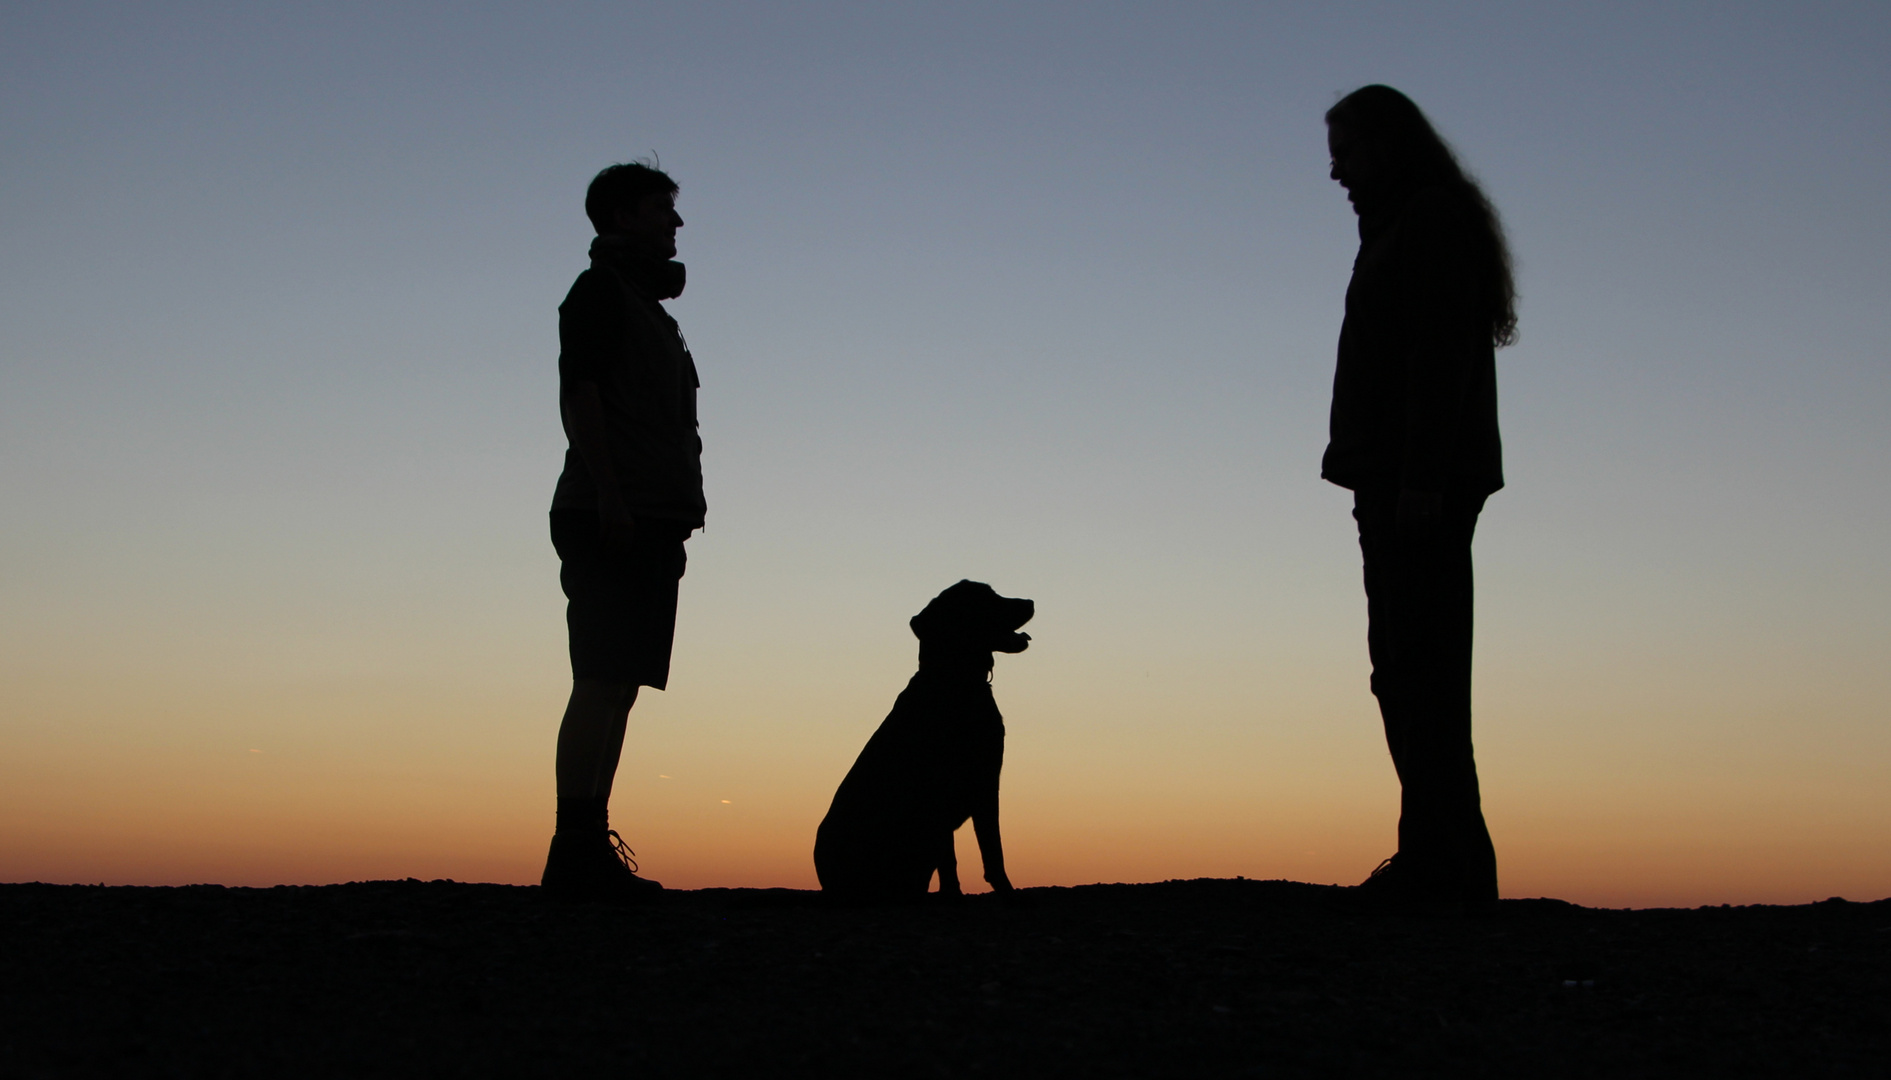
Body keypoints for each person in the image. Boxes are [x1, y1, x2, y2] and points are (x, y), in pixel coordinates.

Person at [1322, 86, 1517, 913]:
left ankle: (1446, 869)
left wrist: (1421, 482)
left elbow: (1438, 360)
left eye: (1347, 151)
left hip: (1414, 487)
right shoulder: (1406, 225)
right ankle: (1439, 859)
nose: (1336, 172)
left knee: (1420, 670)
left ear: (1386, 146)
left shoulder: (1426, 222)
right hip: (1398, 481)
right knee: (1406, 671)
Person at [540, 161, 704, 902]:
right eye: (661, 210)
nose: (675, 225)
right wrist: (609, 496)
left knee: (621, 688)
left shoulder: (649, 309)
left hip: (651, 516)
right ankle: (571, 850)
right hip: (612, 512)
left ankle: (587, 847)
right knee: (600, 680)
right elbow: (581, 396)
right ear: (618, 217)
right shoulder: (599, 294)